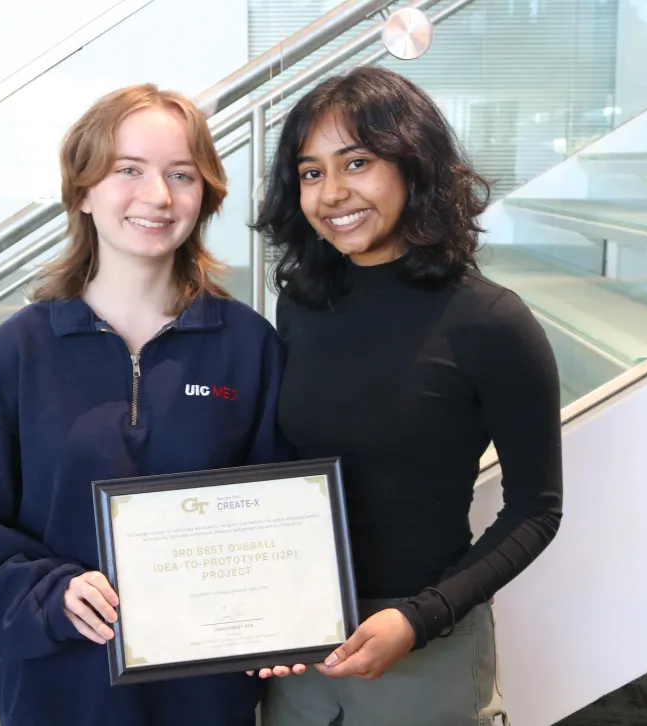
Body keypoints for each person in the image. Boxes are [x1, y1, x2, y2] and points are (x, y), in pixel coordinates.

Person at [0, 83, 290, 726]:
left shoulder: (248, 346)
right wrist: (50, 594)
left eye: (181, 174)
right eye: (129, 170)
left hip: (205, 696)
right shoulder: (19, 352)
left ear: (204, 196)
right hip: (59, 691)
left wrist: (287, 617)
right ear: (84, 190)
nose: (158, 195)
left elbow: (283, 512)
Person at [250, 66, 564, 725]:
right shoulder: (302, 305)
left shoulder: (490, 321)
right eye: (311, 172)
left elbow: (535, 511)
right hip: (304, 648)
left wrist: (420, 618)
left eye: (357, 162)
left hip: (424, 649)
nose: (333, 193)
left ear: (413, 164)